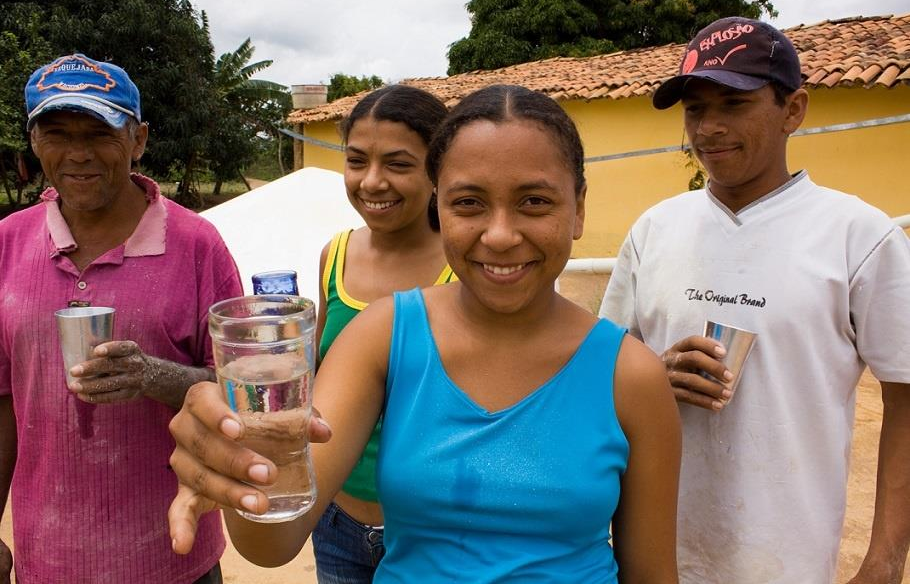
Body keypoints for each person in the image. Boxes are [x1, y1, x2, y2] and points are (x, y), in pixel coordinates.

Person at [167, 84, 682, 583]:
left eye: (534, 202)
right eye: (469, 203)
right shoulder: (384, 335)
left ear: (579, 208)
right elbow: (273, 545)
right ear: (440, 205)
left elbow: (652, 574)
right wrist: (249, 455)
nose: (500, 235)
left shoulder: (631, 376)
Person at [599, 17, 910, 584]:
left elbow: (906, 399)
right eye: (695, 109)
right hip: (653, 558)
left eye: (734, 104)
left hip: (787, 562)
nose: (709, 128)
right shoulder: (654, 230)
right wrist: (648, 377)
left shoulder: (859, 237)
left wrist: (884, 563)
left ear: (794, 109)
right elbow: (600, 371)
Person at [0, 54, 243, 584]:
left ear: (139, 140)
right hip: (48, 562)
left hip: (175, 559)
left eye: (100, 132)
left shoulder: (197, 245)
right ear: (34, 142)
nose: (78, 153)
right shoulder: (6, 244)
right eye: (57, 133)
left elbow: (242, 389)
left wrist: (154, 376)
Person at [312, 85, 453, 582]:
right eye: (356, 161)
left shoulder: (464, 268)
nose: (372, 182)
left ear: (438, 170)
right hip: (334, 522)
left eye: (397, 164)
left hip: (434, 532)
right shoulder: (336, 255)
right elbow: (317, 382)